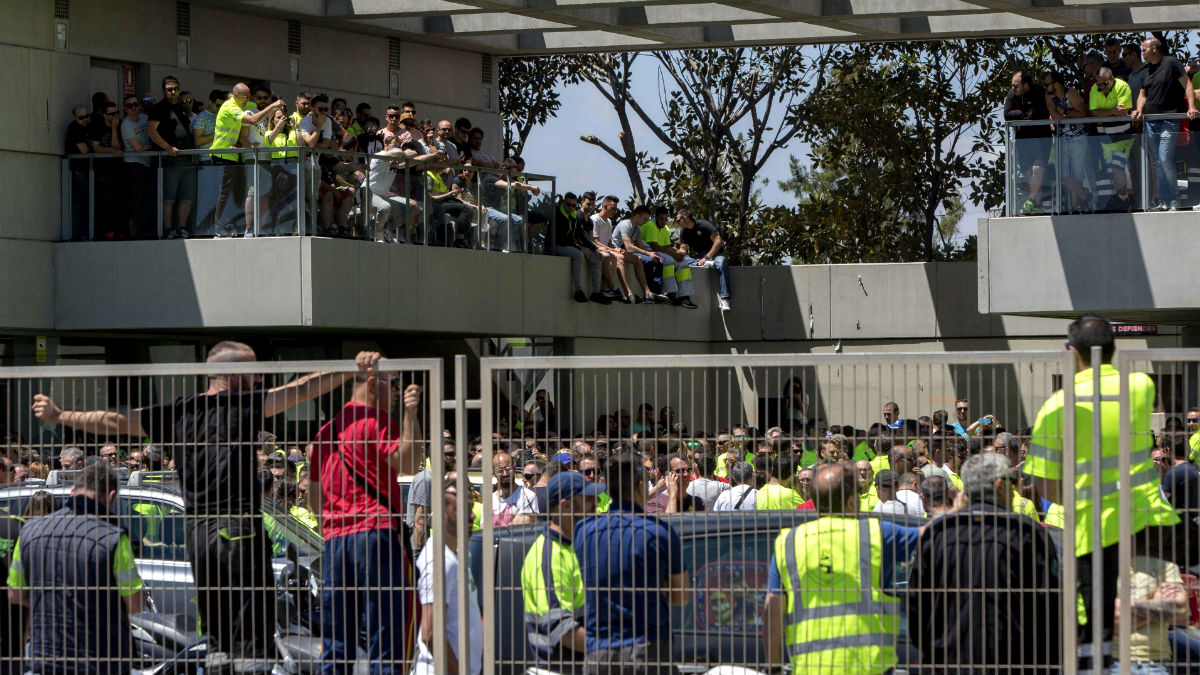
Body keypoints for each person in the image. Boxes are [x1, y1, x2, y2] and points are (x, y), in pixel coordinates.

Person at [31, 342, 384, 672]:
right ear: (232, 375)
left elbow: (116, 420)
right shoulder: (241, 405)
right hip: (238, 526)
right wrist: (350, 369)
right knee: (252, 639)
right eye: (254, 371)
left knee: (217, 632)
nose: (260, 379)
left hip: (197, 532)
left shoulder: (176, 410)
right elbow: (300, 390)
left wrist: (61, 415)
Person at [1025, 315, 1180, 675]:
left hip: (1090, 530)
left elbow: (1045, 486)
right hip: (1145, 520)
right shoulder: (1140, 386)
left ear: (1070, 351)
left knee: (1092, 628)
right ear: (1114, 348)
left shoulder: (1056, 407)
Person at [307, 367, 424, 675]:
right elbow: (410, 463)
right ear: (374, 384)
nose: (398, 392)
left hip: (335, 541)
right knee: (388, 632)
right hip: (377, 535)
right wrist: (411, 416)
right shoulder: (376, 421)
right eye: (395, 384)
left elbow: (313, 499)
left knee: (337, 639)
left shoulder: (326, 432)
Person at [907, 453, 1061, 674]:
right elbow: (1049, 604)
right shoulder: (1025, 532)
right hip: (1013, 659)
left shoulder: (939, 533)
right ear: (1000, 485)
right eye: (1012, 483)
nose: (1015, 489)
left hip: (951, 658)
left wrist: (932, 651)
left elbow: (918, 602)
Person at [762, 461, 920, 675]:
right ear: (851, 501)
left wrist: (773, 667)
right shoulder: (875, 532)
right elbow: (929, 533)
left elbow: (772, 609)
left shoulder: (788, 541)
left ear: (815, 502)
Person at [6, 463, 147, 675]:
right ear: (111, 495)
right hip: (101, 659)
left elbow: (15, 594)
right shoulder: (113, 537)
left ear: (73, 491)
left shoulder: (28, 532)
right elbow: (135, 604)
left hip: (45, 656)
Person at [574, 451, 688, 675]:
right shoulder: (660, 532)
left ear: (607, 489)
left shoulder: (584, 531)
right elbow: (680, 595)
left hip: (600, 649)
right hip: (649, 649)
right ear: (639, 486)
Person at [521, 471, 604, 673]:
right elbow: (561, 628)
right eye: (588, 499)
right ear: (566, 505)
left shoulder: (573, 546)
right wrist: (612, 649)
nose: (596, 503)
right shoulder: (549, 556)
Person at [414, 483, 483, 675]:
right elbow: (430, 633)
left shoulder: (454, 556)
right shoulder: (440, 561)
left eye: (470, 508)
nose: (472, 516)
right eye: (462, 509)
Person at [1131, 38, 1199, 211]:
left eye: (1144, 50)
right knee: (1156, 163)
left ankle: (1174, 200)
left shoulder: (1171, 63)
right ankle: (1163, 201)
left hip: (1169, 119)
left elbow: (1187, 85)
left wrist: (1191, 107)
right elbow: (1142, 94)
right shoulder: (1147, 70)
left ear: (1154, 49)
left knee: (1164, 158)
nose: (1142, 53)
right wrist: (1139, 109)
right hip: (1151, 122)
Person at [212, 84, 284, 237]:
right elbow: (252, 119)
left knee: (237, 193)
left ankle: (256, 227)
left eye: (249, 96)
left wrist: (274, 103)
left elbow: (262, 104)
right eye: (246, 97)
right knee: (225, 194)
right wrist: (272, 106)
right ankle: (218, 229)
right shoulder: (230, 107)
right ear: (235, 95)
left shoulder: (247, 104)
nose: (248, 100)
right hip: (221, 154)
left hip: (234, 154)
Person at [147, 75, 197, 239]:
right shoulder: (159, 108)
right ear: (163, 91)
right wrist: (167, 147)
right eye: (170, 89)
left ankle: (182, 227)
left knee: (187, 196)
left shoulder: (181, 108)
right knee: (168, 196)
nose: (173, 92)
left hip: (187, 158)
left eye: (176, 89)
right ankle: (168, 229)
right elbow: (151, 131)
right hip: (169, 159)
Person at [1004, 71, 1051, 214]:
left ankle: (1030, 200)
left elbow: (1039, 113)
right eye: (1012, 85)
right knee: (1030, 174)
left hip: (1041, 138)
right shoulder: (1012, 94)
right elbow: (1007, 115)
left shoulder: (1039, 92)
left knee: (1038, 170)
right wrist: (1024, 114)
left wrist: (1026, 114)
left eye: (1016, 85)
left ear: (1026, 85)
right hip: (1023, 138)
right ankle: (1036, 202)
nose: (1013, 88)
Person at [675, 209, 731, 311]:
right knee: (683, 260)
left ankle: (725, 299)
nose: (678, 223)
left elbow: (718, 241)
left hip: (714, 254)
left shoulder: (703, 224)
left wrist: (707, 258)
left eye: (679, 220)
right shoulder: (684, 232)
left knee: (722, 262)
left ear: (686, 218)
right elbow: (684, 249)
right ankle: (703, 263)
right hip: (699, 257)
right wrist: (677, 253)